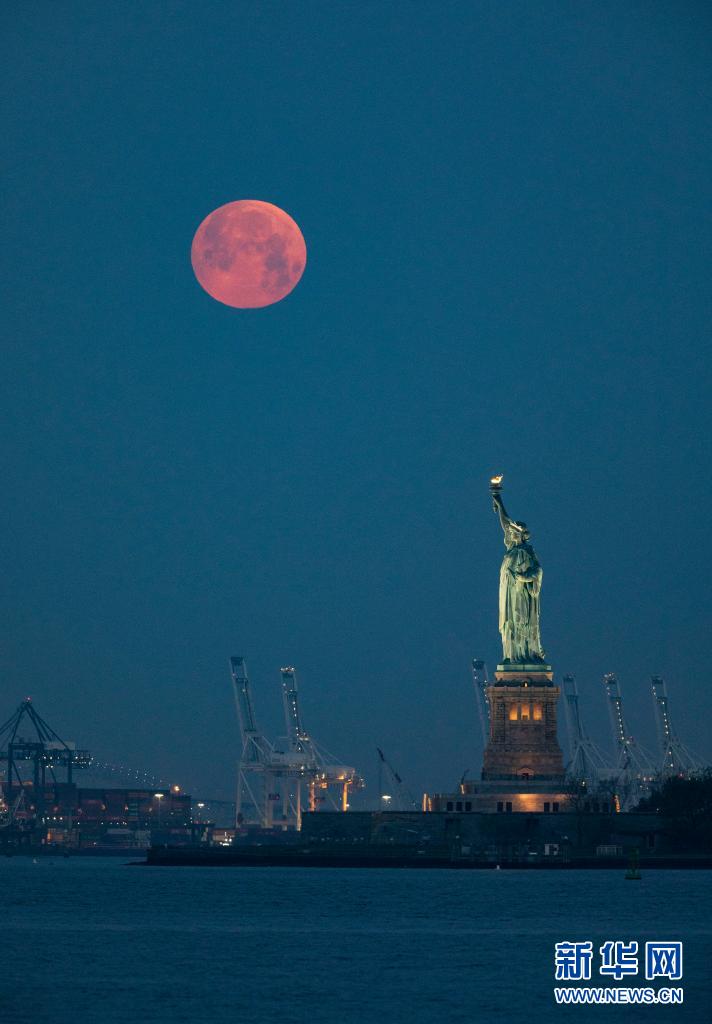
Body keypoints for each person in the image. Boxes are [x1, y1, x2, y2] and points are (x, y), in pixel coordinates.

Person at [492, 491, 545, 663]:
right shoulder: (511, 549)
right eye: (511, 531)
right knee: (509, 622)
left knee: (520, 621)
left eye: (514, 532)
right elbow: (505, 523)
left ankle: (525, 654)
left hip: (522, 594)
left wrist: (524, 577)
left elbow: (538, 570)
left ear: (521, 535)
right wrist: (499, 501)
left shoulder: (527, 552)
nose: (510, 533)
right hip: (508, 591)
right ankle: (511, 655)